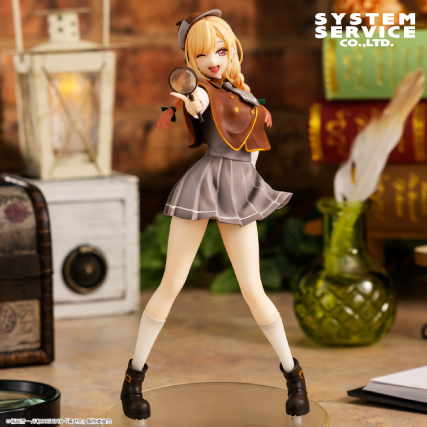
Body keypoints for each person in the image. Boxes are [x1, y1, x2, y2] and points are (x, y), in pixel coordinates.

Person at [120, 9, 310, 420]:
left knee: (253, 289)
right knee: (172, 283)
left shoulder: (241, 94)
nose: (212, 61)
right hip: (205, 185)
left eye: (220, 51)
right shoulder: (204, 92)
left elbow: (253, 148)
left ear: (231, 51)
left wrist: (250, 184)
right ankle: (134, 376)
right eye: (202, 54)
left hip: (239, 188)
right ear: (191, 59)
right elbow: (197, 103)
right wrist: (191, 100)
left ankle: (293, 374)